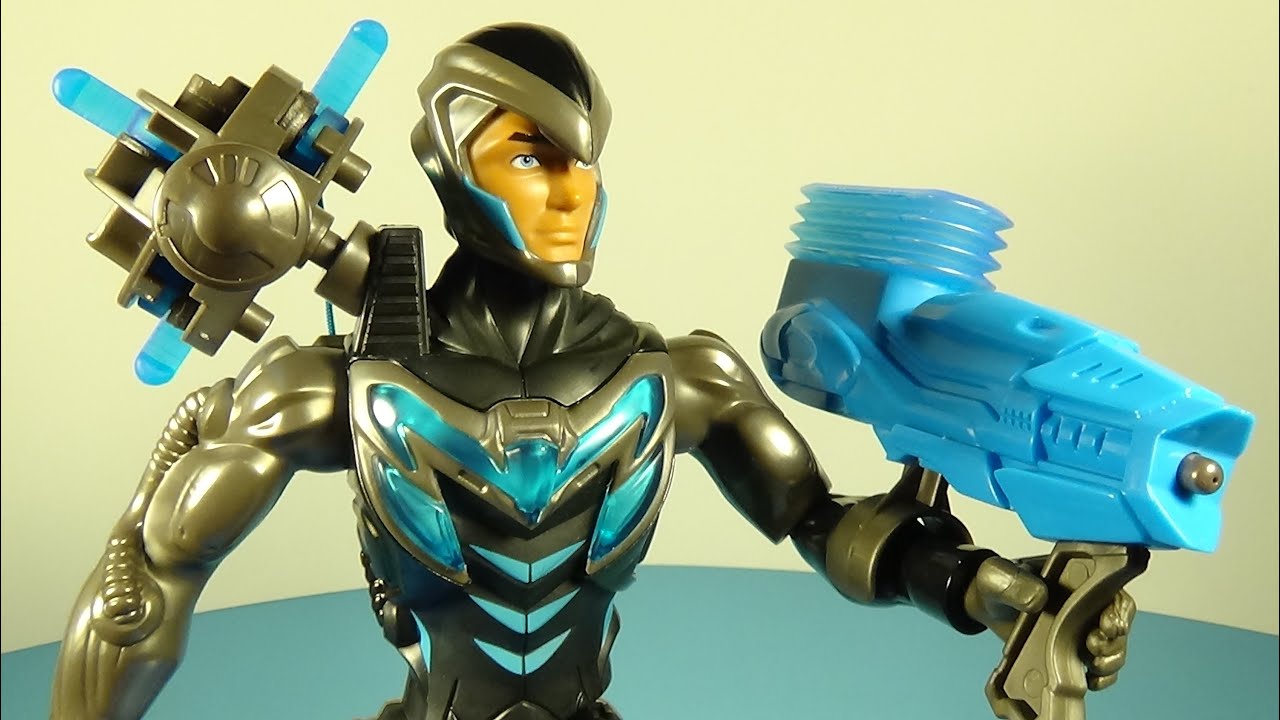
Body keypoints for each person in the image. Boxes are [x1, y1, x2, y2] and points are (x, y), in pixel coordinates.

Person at [51, 23, 1130, 720]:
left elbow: (816, 521)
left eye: (583, 162)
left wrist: (978, 588)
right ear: (447, 170)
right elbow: (145, 586)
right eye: (527, 156)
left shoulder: (681, 377)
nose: (571, 192)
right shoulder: (331, 386)